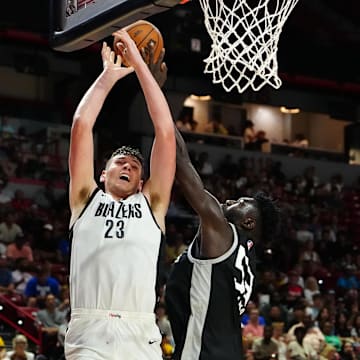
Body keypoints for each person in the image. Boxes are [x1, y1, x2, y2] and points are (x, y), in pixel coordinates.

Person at [64, 29, 175, 360]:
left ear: (141, 183)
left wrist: (140, 64)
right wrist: (108, 77)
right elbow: (81, 126)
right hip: (90, 327)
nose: (128, 165)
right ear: (102, 174)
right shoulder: (85, 198)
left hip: (139, 331)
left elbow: (166, 134)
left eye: (135, 166)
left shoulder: (152, 204)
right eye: (119, 162)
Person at [165, 125, 281, 360]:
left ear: (248, 222)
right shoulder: (248, 260)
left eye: (240, 202)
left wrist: (157, 100)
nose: (229, 200)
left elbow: (181, 160)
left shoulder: (225, 234)